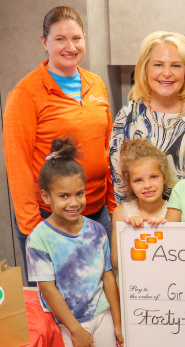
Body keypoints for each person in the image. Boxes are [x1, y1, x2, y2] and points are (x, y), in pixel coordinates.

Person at [4, 6, 116, 286]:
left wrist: (113, 207)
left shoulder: (97, 85)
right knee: (56, 302)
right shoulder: (26, 94)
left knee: (99, 294)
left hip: (97, 211)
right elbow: (17, 166)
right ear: (44, 42)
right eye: (60, 39)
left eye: (76, 39)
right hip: (49, 217)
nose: (70, 47)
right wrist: (34, 230)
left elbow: (109, 150)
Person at [26, 138, 123, 347]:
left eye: (79, 193)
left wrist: (117, 321)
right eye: (64, 196)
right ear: (46, 196)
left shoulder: (97, 230)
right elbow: (48, 289)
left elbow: (107, 276)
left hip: (102, 313)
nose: (74, 202)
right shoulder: (39, 239)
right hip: (67, 323)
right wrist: (76, 329)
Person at [110, 31, 185, 205]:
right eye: (159, 65)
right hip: (144, 222)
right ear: (145, 68)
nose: (167, 73)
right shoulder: (128, 116)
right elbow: (119, 183)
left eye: (176, 66)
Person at [111, 140, 171, 270]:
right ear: (129, 183)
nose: (147, 185)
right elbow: (115, 263)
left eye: (154, 177)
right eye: (138, 180)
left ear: (164, 176)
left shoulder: (173, 212)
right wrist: (129, 231)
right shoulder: (121, 212)